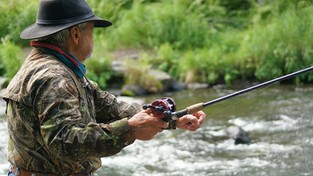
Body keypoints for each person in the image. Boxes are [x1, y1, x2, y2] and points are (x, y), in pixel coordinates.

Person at [3, 0, 206, 175]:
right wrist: (130, 129)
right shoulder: (55, 77)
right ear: (76, 34)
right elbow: (65, 142)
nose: (93, 37)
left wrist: (171, 118)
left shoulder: (55, 67)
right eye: (91, 30)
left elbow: (110, 106)